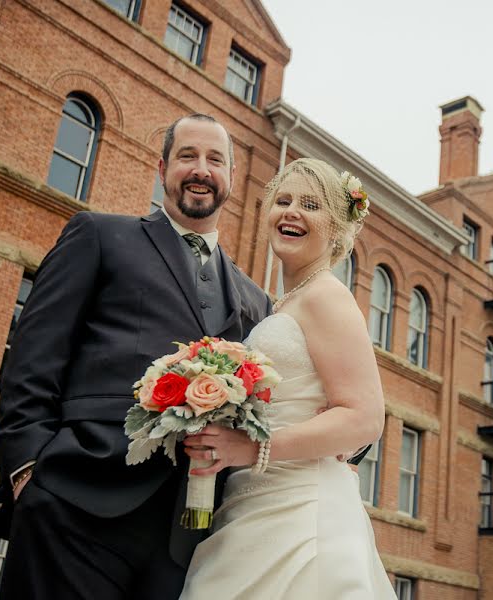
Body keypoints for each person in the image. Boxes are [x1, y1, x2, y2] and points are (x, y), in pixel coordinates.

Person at [0, 114, 273, 599]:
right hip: (76, 501)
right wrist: (26, 472)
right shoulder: (99, 235)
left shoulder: (256, 300)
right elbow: (34, 355)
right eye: (187, 156)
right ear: (162, 167)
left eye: (214, 159)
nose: (200, 169)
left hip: (187, 537)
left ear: (231, 179)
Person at [179, 158, 396, 599]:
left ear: (336, 226)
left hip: (303, 511)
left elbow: (365, 418)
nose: (291, 211)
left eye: (310, 204)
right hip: (254, 499)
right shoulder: (284, 303)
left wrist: (249, 447)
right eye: (283, 200)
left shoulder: (327, 297)